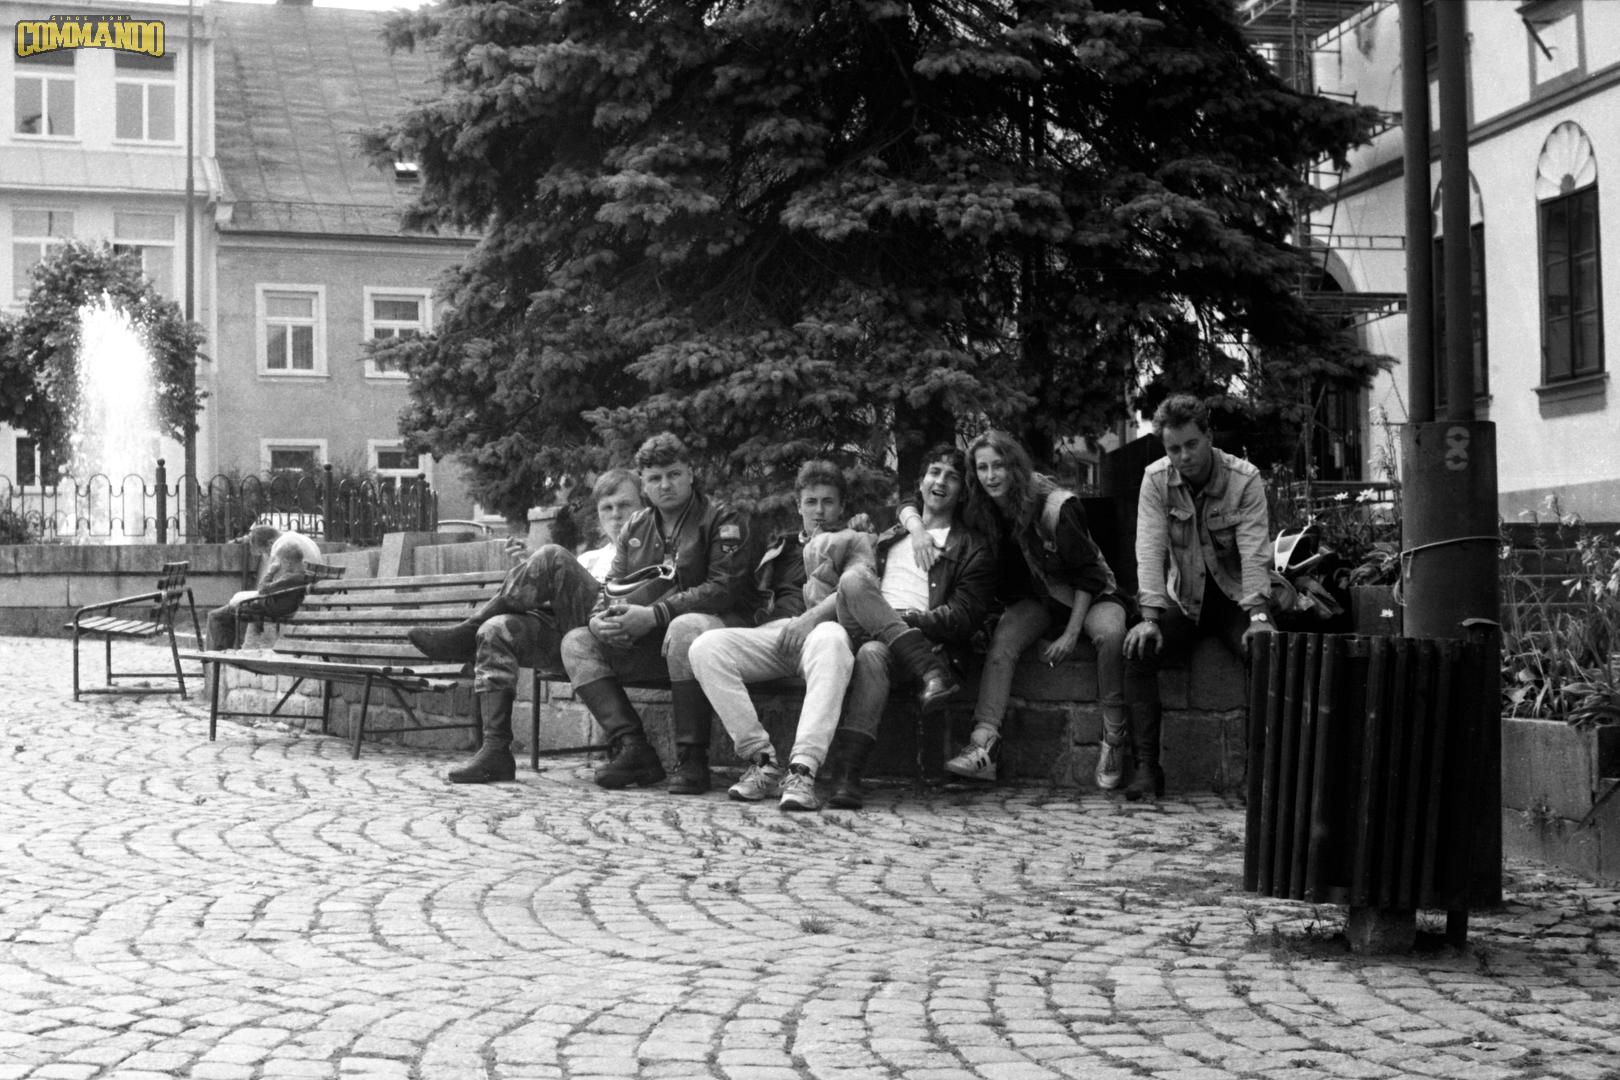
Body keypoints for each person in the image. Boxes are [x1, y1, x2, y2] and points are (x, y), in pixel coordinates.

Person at [407, 467, 643, 784]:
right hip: (573, 644)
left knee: (552, 556)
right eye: (607, 508)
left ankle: (467, 632)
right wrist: (531, 569)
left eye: (625, 505)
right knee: (496, 630)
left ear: (644, 507)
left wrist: (546, 563)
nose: (616, 515)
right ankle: (495, 751)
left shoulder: (652, 552)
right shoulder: (590, 559)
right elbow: (557, 610)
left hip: (620, 639)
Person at [560, 434, 755, 791]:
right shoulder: (636, 526)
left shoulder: (722, 518)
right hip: (654, 641)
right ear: (644, 484)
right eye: (654, 478)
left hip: (715, 637)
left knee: (684, 627)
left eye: (673, 474)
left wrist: (654, 615)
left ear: (691, 474)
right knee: (577, 642)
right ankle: (634, 749)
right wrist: (600, 620)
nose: (665, 485)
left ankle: (692, 759)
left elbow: (723, 589)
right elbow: (612, 586)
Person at [945, 431, 1130, 787]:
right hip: (1042, 597)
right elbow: (921, 497)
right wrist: (913, 523)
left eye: (999, 465)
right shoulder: (982, 504)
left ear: (1015, 466)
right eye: (982, 468)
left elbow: (1089, 575)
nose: (991, 476)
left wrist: (1071, 634)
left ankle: (1114, 737)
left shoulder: (1056, 506)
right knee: (1003, 641)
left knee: (1110, 636)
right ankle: (983, 745)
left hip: (1090, 594)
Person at [816, 445, 995, 811]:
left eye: (952, 477)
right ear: (921, 481)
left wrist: (907, 619)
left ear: (963, 491)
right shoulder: (891, 533)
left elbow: (963, 617)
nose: (940, 482)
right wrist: (907, 527)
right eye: (934, 472)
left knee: (872, 653)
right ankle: (931, 673)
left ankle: (847, 774)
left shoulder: (972, 547)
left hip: (916, 641)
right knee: (852, 580)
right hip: (863, 625)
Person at [1123, 393, 1273, 800]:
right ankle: (1147, 770)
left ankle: (1260, 777)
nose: (1184, 456)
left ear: (1209, 436)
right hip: (1185, 600)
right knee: (1137, 651)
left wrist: (1259, 617)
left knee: (1266, 656)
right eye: (1174, 449)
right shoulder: (1156, 480)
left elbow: (1255, 551)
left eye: (1191, 444)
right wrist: (1150, 618)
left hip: (1234, 600)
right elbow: (1149, 549)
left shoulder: (1244, 479)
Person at [687, 460, 853, 809]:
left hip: (822, 635)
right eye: (811, 502)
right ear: (798, 505)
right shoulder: (780, 546)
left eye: (828, 502)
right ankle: (761, 761)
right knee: (705, 647)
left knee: (832, 639)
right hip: (773, 636)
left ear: (842, 506)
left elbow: (857, 590)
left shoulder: (853, 542)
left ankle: (803, 770)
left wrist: (808, 620)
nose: (819, 511)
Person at [205, 524, 323, 650]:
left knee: (217, 616)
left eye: (265, 552)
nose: (267, 556)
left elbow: (267, 589)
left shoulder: (282, 546)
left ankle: (217, 658)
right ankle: (234, 651)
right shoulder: (304, 540)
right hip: (300, 599)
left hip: (283, 603)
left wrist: (270, 573)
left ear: (270, 542)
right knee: (239, 608)